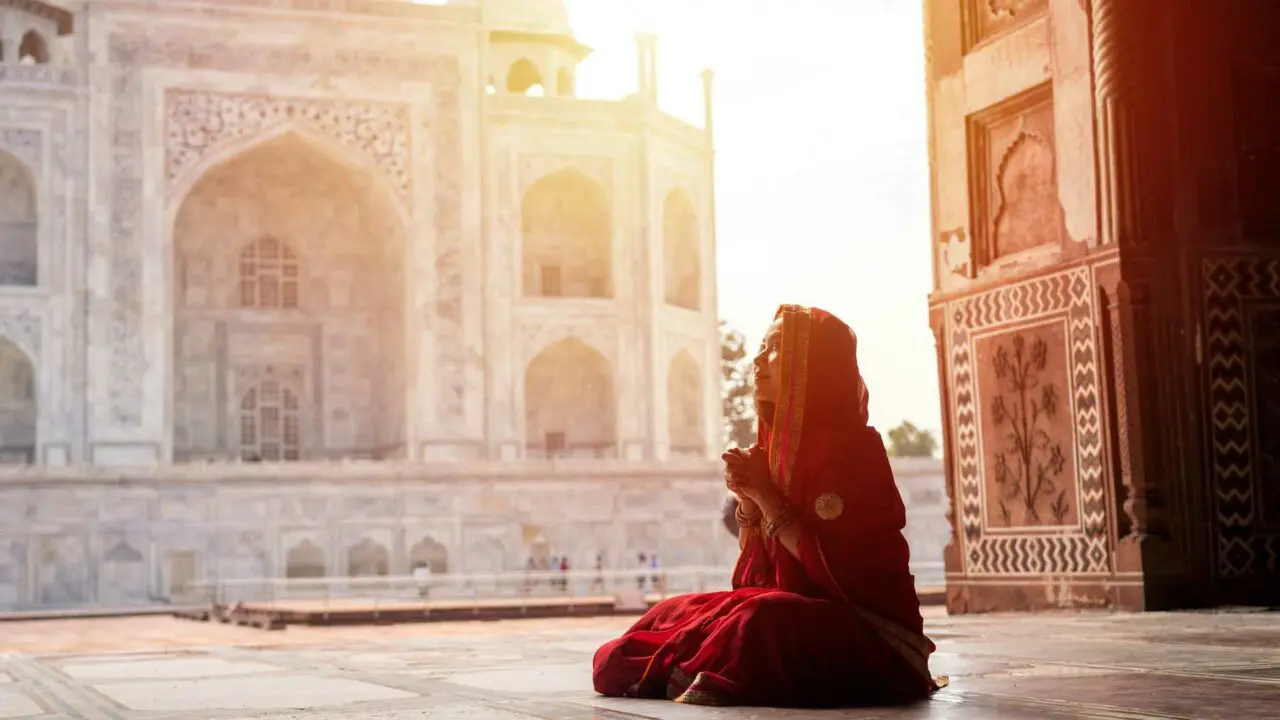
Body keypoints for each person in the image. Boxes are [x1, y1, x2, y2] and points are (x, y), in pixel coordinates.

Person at [592, 305, 940, 708]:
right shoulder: (776, 453)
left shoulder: (855, 452)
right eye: (761, 346)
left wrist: (767, 497)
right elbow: (754, 571)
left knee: (759, 621)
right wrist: (748, 498)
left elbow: (842, 575)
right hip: (799, 608)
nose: (758, 359)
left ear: (812, 366)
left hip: (873, 631)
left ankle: (699, 667)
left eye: (775, 348)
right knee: (673, 612)